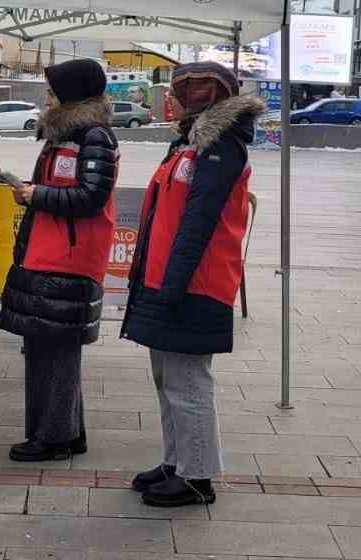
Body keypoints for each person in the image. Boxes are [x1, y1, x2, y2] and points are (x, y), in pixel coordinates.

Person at [121, 62, 261, 507]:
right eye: (186, 87)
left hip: (194, 282)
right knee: (167, 378)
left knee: (188, 380)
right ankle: (176, 461)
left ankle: (198, 476)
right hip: (167, 277)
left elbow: (199, 222)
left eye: (200, 88)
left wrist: (172, 285)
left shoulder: (222, 147)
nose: (190, 94)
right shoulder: (187, 144)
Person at [0, 59, 119, 462]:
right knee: (43, 344)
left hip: (71, 256)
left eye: (51, 91)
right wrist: (31, 191)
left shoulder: (94, 136)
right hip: (47, 251)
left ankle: (53, 439)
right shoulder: (63, 135)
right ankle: (66, 431)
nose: (46, 98)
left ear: (72, 94)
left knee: (59, 349)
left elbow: (90, 197)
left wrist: (37, 195)